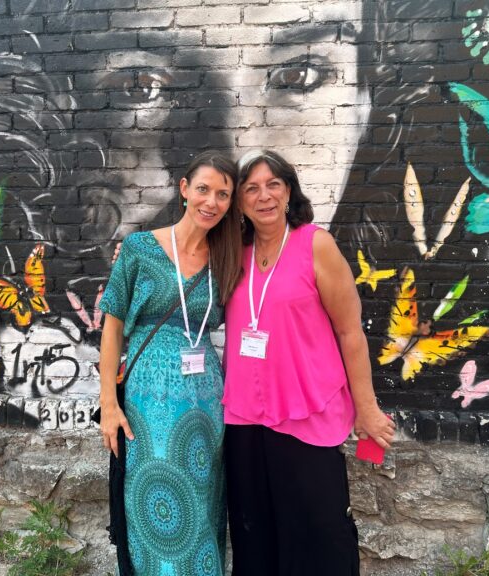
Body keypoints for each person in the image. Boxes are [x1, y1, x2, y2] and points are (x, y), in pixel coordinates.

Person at [222, 149, 395, 576]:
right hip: (244, 418)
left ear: (289, 192)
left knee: (317, 537)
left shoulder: (315, 245)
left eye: (273, 185)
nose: (264, 196)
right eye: (251, 188)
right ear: (239, 201)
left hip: (307, 414)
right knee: (254, 537)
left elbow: (350, 331)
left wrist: (367, 409)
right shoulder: (234, 252)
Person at [98, 151, 242, 576]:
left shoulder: (227, 260)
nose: (211, 201)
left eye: (222, 194)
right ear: (184, 189)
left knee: (202, 503)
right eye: (203, 189)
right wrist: (108, 404)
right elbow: (112, 327)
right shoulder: (139, 248)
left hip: (205, 403)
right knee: (151, 497)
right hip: (148, 401)